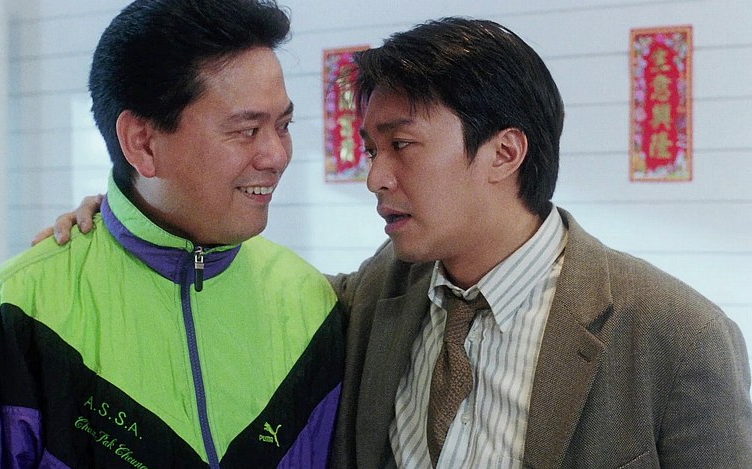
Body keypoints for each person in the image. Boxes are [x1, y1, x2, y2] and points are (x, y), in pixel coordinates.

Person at [49, 17, 752, 469]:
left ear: (504, 152)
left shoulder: (675, 335)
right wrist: (134, 212)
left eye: (402, 145)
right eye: (370, 148)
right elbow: (242, 280)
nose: (375, 176)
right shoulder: (376, 295)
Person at [0, 1, 343, 467]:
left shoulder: (313, 303)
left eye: (283, 126)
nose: (276, 156)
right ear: (142, 142)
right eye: (247, 130)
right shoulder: (13, 312)